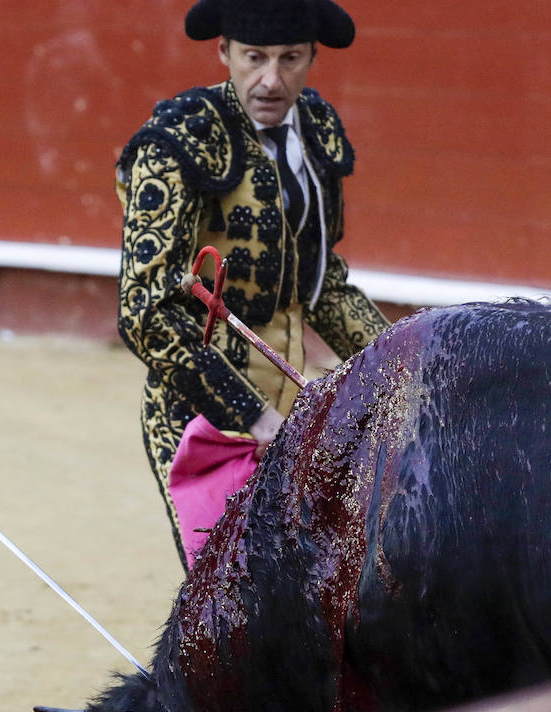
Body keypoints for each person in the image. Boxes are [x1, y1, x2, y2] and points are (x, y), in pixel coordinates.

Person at [116, 0, 390, 566]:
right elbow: (145, 310)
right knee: (234, 586)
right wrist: (249, 414)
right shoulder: (180, 137)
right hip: (203, 410)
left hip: (294, 399)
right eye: (254, 57)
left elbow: (323, 286)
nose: (271, 79)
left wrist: (409, 365)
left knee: (311, 581)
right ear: (225, 54)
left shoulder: (316, 130)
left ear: (313, 57)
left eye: (290, 59)